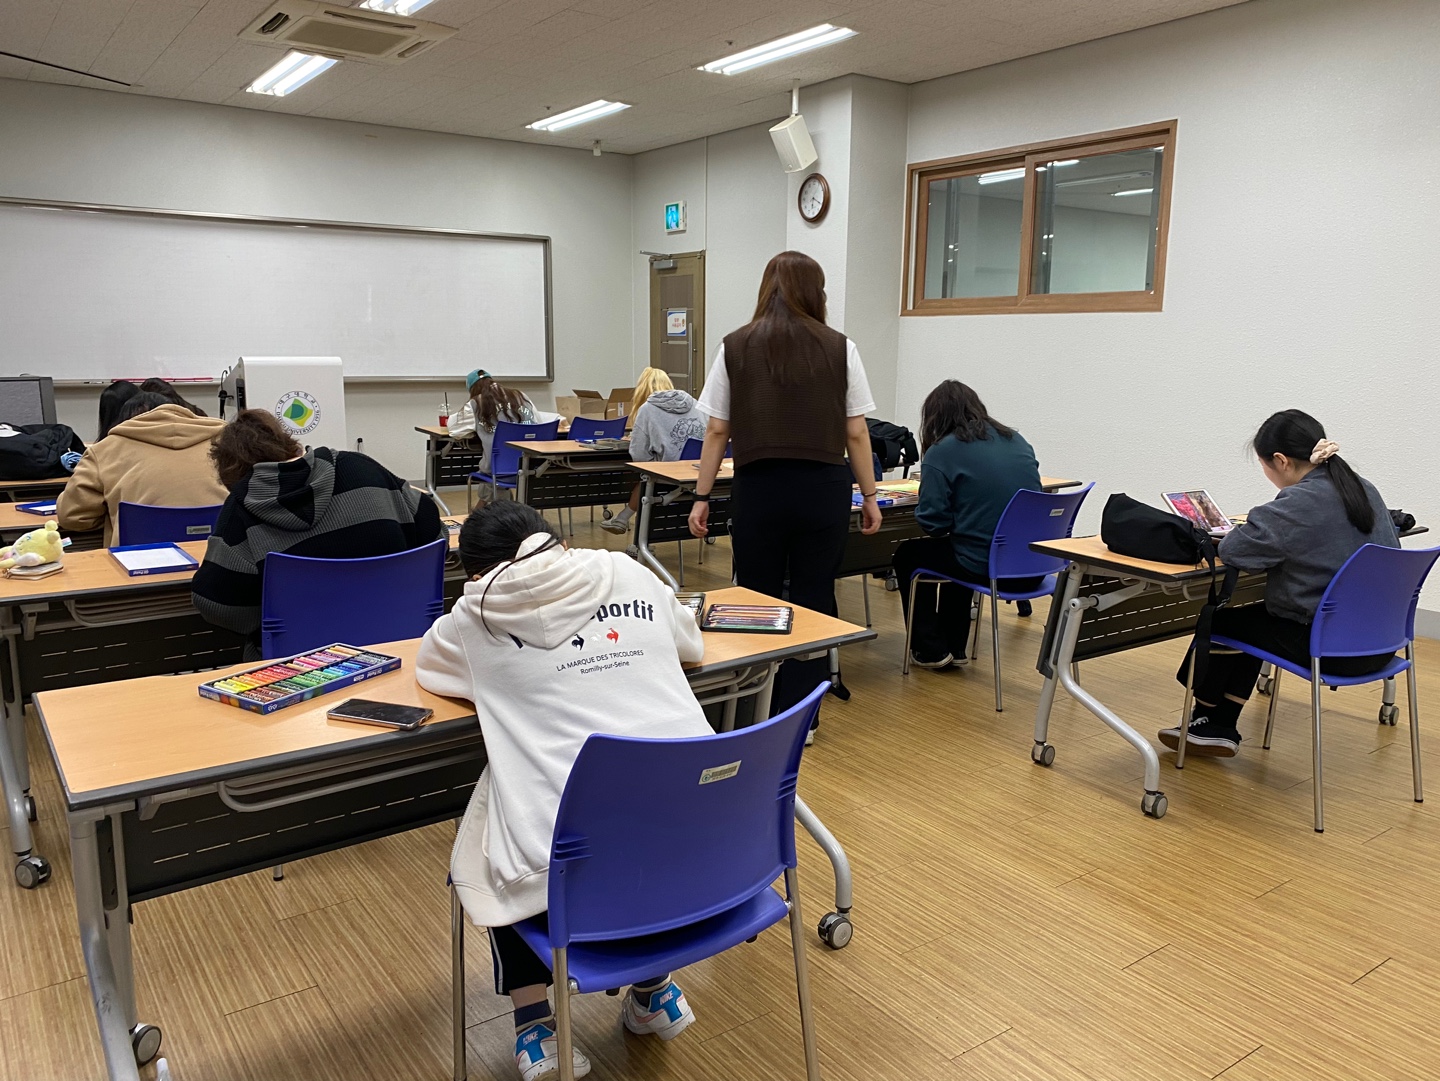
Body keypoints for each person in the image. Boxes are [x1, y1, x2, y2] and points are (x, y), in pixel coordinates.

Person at [416, 501, 711, 1081]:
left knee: (505, 818)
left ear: (475, 573)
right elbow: (691, 646)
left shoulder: (474, 616)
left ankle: (535, 1027)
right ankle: (654, 990)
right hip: (704, 852)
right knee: (631, 798)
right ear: (557, 544)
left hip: (570, 875)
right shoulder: (625, 570)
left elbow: (431, 668)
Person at [688, 251, 881, 721]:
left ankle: (756, 708)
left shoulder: (734, 346)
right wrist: (871, 495)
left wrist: (701, 496)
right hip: (823, 488)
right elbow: (857, 432)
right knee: (815, 596)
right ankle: (803, 714)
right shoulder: (841, 347)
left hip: (759, 487)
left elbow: (717, 429)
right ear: (817, 293)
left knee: (756, 597)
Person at [1159, 410, 1400, 758]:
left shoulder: (1299, 502)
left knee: (1222, 620)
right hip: (1381, 642)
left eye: (1264, 465)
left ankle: (1211, 721)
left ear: (1281, 460)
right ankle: (1217, 722)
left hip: (1332, 650)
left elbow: (1235, 550)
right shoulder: (1363, 488)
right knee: (1254, 620)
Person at [191, 409, 443, 655]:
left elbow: (219, 608)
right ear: (290, 444)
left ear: (230, 473)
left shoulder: (240, 509)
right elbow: (435, 537)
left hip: (295, 662)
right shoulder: (362, 467)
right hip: (401, 647)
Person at [891, 381, 1044, 670]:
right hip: (1033, 566)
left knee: (909, 555)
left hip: (990, 568)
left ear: (935, 417)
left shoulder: (942, 451)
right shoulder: (1016, 440)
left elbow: (933, 524)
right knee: (959, 547)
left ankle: (930, 649)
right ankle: (954, 645)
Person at [56, 392, 227, 546]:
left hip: (137, 562)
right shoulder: (228, 442)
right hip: (224, 558)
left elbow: (71, 517)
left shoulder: (104, 450)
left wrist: (117, 516)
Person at [601, 367, 705, 535]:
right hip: (700, 471)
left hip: (668, 474)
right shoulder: (695, 403)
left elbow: (639, 456)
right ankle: (622, 518)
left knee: (646, 476)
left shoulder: (647, 409)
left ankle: (625, 519)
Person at [448, 369, 552, 475]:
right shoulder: (521, 396)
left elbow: (453, 429)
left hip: (496, 471)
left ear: (472, 390)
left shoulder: (475, 404)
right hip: (532, 469)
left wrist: (473, 431)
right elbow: (538, 423)